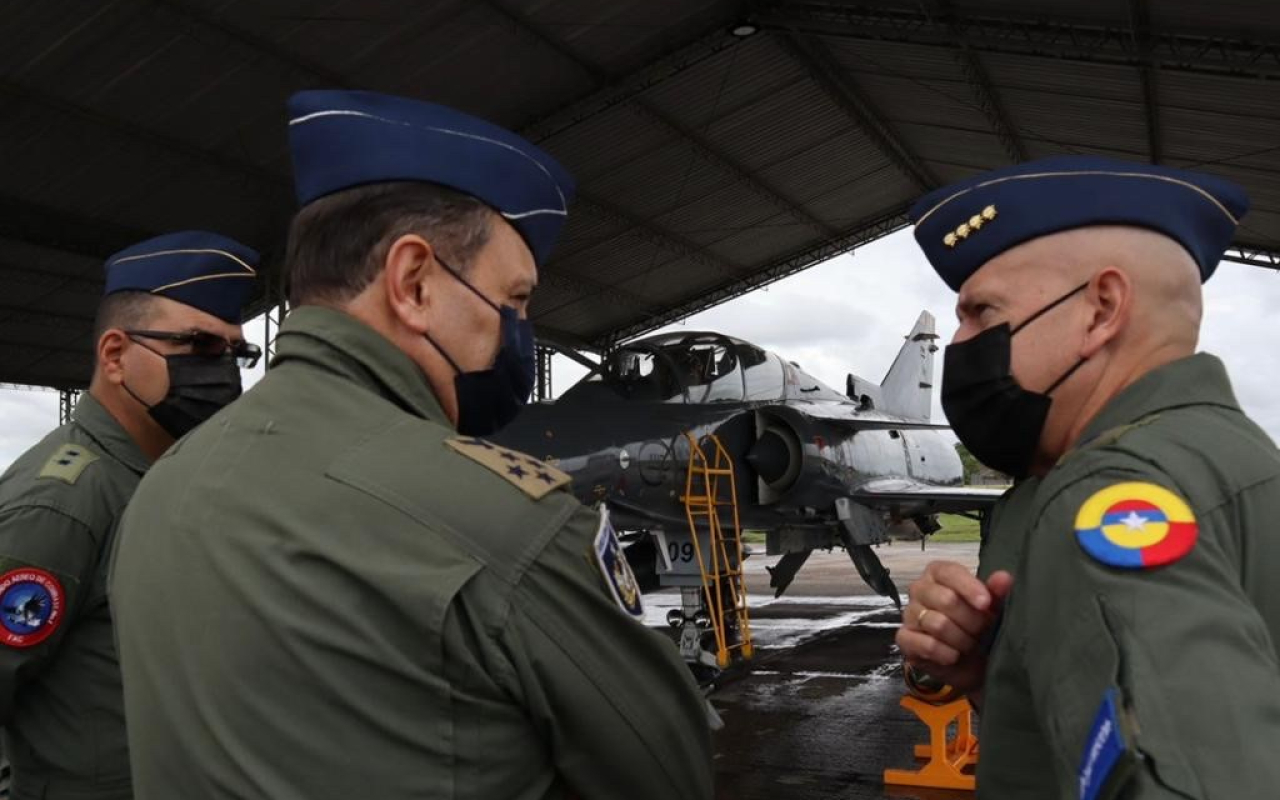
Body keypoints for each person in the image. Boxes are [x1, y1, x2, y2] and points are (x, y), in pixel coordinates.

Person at [111, 90, 713, 800]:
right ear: (414, 283)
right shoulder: (505, 524)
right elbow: (671, 772)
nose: (519, 330)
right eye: (514, 300)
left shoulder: (158, 491)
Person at [895, 155, 1280, 798]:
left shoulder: (1105, 496)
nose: (960, 345)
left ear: (1101, 309)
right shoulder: (1243, 462)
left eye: (982, 313)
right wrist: (996, 677)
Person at [0, 231, 259, 799]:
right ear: (115, 356)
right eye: (199, 346)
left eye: (236, 354)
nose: (224, 372)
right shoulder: (64, 502)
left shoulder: (166, 478)